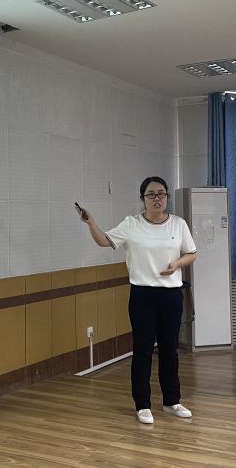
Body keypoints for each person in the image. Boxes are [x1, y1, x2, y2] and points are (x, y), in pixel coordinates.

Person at [76, 176, 197, 424]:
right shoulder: (131, 224)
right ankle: (142, 404)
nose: (157, 198)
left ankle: (172, 401)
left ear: (167, 197)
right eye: (151, 194)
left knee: (169, 350)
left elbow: (191, 253)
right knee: (143, 350)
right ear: (142, 198)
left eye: (161, 194)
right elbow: (104, 241)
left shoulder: (178, 224)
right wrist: (91, 223)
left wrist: (176, 264)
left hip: (171, 295)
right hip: (143, 295)